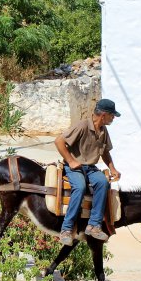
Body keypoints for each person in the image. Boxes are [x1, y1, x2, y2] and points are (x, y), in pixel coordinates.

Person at [54, 98, 122, 245]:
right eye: (112, 115)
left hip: (91, 168)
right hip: (74, 168)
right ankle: (66, 229)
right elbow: (59, 141)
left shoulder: (103, 130)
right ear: (103, 115)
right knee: (80, 187)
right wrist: (71, 161)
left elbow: (105, 152)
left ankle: (94, 225)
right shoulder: (82, 125)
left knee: (103, 183)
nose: (113, 118)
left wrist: (112, 168)